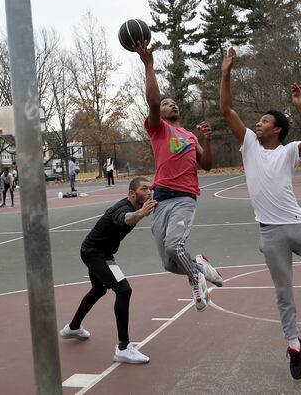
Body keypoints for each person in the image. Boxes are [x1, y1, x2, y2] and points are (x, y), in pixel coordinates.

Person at [220, 48, 301, 380]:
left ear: (277, 129)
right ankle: (294, 344)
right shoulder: (249, 145)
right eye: (259, 121)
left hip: (300, 226)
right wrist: (226, 73)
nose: (258, 123)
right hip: (270, 232)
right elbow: (226, 109)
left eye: (264, 121)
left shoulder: (289, 151)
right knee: (284, 293)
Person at [134, 41, 222, 313]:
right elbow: (153, 100)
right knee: (168, 262)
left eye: (174, 103)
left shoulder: (188, 135)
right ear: (158, 112)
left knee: (174, 246)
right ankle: (200, 265)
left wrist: (207, 139)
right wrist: (149, 65)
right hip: (161, 199)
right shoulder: (157, 129)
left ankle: (196, 278)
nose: (171, 105)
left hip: (184, 197)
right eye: (166, 103)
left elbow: (206, 165)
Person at [59, 177, 157, 364]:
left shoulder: (140, 204)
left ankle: (73, 327)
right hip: (95, 254)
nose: (149, 192)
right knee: (124, 290)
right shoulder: (122, 209)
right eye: (144, 189)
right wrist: (140, 214)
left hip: (100, 253)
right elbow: (125, 219)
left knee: (99, 289)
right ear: (131, 194)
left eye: (150, 189)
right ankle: (123, 348)